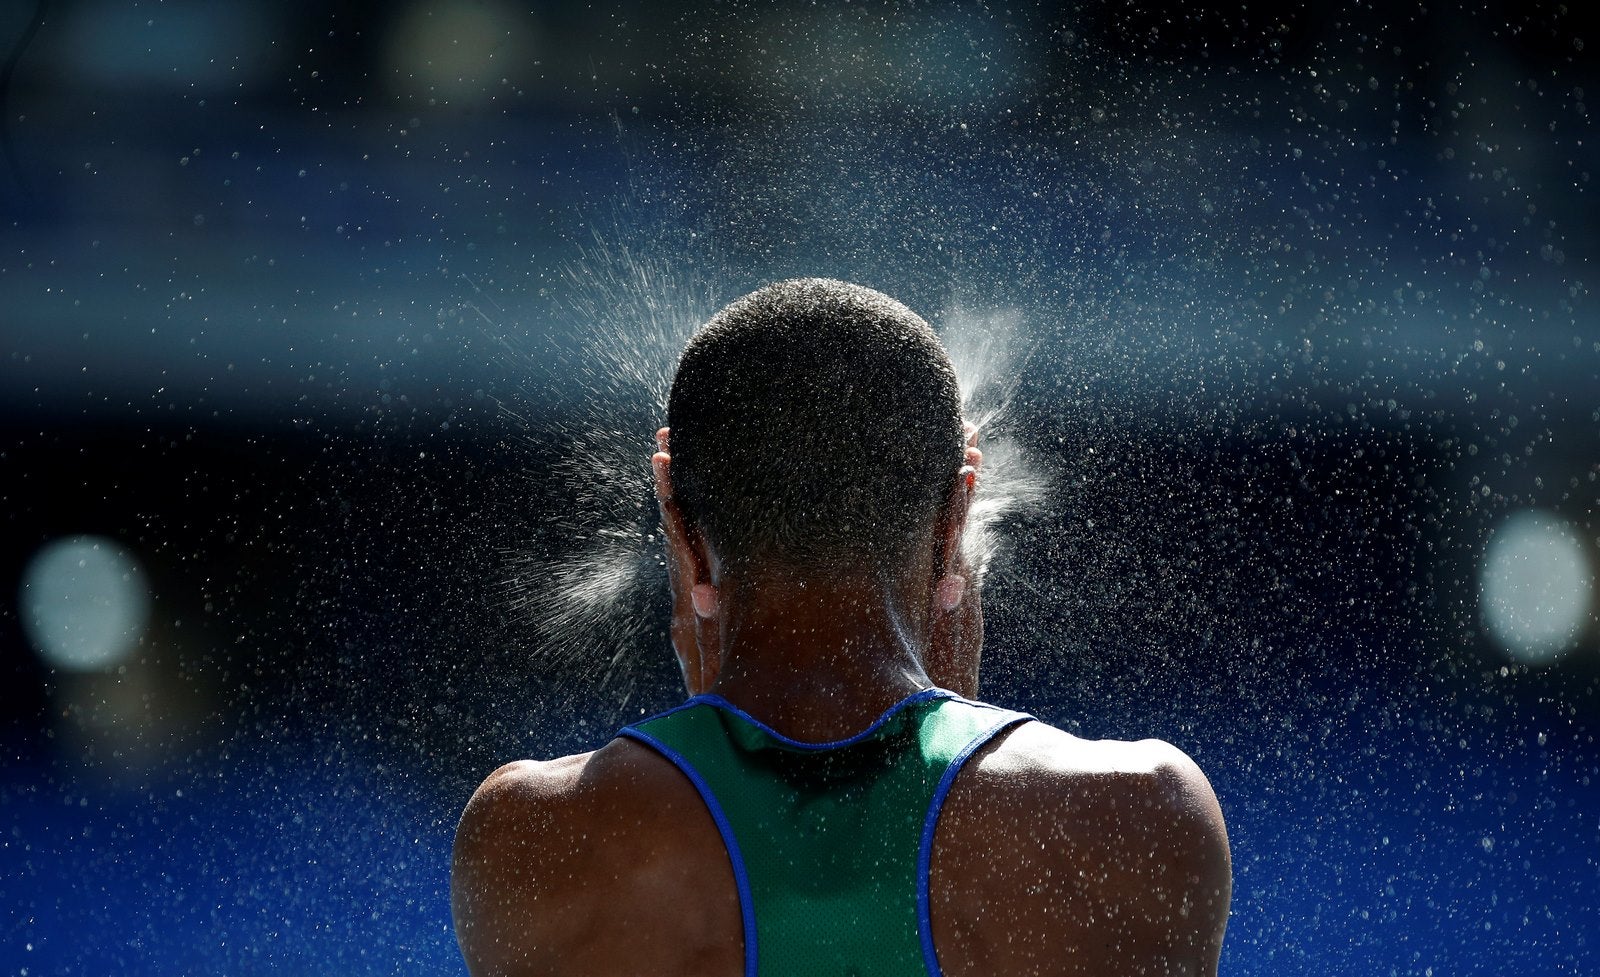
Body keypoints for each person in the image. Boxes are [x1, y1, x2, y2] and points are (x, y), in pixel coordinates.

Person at [452, 279, 1231, 976]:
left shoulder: (528, 838)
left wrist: (705, 721)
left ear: (681, 529)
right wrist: (958, 715)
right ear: (956, 513)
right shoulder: (1139, 816)